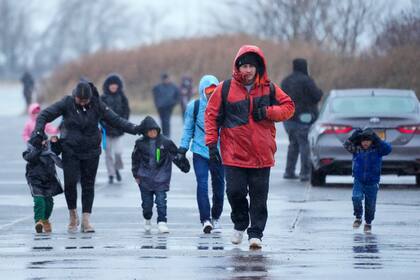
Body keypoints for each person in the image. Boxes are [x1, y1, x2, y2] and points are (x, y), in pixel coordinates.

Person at [205, 45, 295, 249]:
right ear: (237, 67)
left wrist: (268, 112)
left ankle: (256, 234)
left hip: (262, 154)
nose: (247, 70)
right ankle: (240, 223)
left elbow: (289, 107)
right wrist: (211, 144)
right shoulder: (224, 88)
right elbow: (211, 116)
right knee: (234, 192)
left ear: (258, 68)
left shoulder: (269, 88)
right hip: (234, 153)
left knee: (259, 197)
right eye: (244, 66)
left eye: (251, 66)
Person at [31, 81, 142, 233]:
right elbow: (44, 115)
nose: (82, 102)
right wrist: (38, 132)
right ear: (74, 96)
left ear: (90, 98)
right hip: (70, 150)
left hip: (91, 151)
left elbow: (116, 120)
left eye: (85, 100)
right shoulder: (67, 103)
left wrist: (136, 129)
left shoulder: (97, 104)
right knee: (70, 184)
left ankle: (86, 220)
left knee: (88, 185)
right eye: (79, 99)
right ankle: (73, 216)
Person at [178, 75, 224, 234]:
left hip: (219, 153)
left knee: (219, 187)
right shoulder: (194, 106)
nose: (212, 93)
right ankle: (205, 219)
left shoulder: (224, 106)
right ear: (202, 90)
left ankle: (216, 217)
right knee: (202, 185)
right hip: (199, 152)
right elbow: (188, 129)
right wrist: (182, 150)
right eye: (208, 89)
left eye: (215, 89)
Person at [131, 116, 190, 233]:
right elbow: (135, 159)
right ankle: (147, 218)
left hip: (161, 177)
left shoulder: (166, 142)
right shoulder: (140, 143)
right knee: (147, 205)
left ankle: (162, 222)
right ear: (145, 132)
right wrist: (136, 175)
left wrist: (184, 166)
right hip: (145, 179)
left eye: (155, 130)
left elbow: (176, 155)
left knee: (161, 201)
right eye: (150, 131)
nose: (153, 133)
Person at [281, 58, 323, 181]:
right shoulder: (307, 80)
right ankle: (305, 173)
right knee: (304, 144)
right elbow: (317, 96)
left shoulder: (286, 81)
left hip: (288, 119)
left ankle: (289, 171)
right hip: (303, 119)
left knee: (293, 143)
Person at [344, 128, 392, 233]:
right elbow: (346, 145)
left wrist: (377, 139)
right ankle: (358, 216)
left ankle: (368, 222)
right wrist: (353, 137)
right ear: (360, 141)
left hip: (373, 182)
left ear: (372, 141)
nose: (365, 143)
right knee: (356, 197)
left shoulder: (377, 149)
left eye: (368, 140)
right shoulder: (357, 149)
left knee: (370, 204)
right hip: (359, 180)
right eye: (363, 140)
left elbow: (388, 149)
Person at [23, 135, 63, 233]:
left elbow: (58, 150)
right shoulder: (29, 151)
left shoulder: (50, 150)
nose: (44, 143)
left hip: (49, 179)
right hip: (35, 179)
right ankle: (38, 221)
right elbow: (31, 158)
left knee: (49, 203)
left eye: (45, 141)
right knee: (39, 200)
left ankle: (45, 219)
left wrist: (55, 142)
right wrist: (38, 148)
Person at [100, 74, 130, 184]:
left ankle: (117, 168)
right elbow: (99, 113)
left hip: (119, 130)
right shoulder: (102, 98)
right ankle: (111, 174)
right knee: (108, 153)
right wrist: (103, 124)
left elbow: (126, 111)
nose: (113, 87)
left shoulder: (122, 97)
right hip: (106, 131)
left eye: (115, 85)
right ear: (107, 86)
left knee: (118, 153)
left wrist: (124, 124)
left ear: (118, 86)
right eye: (111, 85)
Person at [152, 72, 180, 137]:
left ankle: (167, 135)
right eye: (164, 79)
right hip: (161, 107)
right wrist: (157, 104)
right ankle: (165, 134)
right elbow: (155, 95)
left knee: (167, 121)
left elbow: (178, 96)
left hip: (169, 107)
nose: (166, 80)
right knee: (163, 121)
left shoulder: (174, 87)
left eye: (167, 79)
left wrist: (174, 103)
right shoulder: (158, 87)